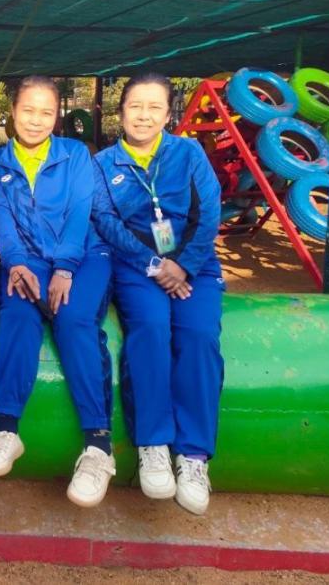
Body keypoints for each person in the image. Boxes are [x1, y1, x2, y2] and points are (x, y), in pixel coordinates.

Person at [92, 72, 224, 515]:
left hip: (194, 265)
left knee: (199, 336)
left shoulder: (189, 153)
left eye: (154, 107)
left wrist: (183, 264)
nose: (144, 116)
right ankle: (153, 444)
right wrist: (155, 264)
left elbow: (209, 212)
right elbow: (106, 222)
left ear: (168, 114)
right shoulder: (104, 164)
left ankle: (194, 455)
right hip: (137, 267)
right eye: (135, 106)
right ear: (121, 112)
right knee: (149, 328)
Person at [0, 76, 114, 507]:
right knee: (18, 313)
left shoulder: (75, 154)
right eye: (28, 110)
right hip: (28, 258)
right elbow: (2, 219)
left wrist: (65, 268)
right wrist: (17, 263)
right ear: (13, 112)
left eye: (46, 112)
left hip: (84, 256)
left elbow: (80, 212)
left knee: (73, 319)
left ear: (57, 116)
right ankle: (6, 430)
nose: (36, 120)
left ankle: (98, 445)